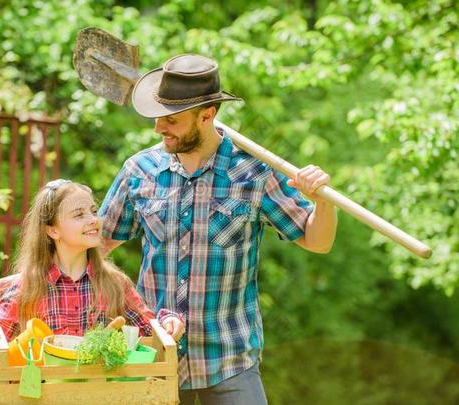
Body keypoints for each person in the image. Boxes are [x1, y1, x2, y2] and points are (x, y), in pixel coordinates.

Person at [99, 54, 338, 404]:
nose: (158, 129)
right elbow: (96, 244)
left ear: (207, 116)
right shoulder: (141, 170)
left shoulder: (254, 172)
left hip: (229, 361)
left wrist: (323, 201)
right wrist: (33, 277)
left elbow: (318, 241)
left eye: (171, 120)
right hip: (154, 355)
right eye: (157, 118)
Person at [0, 179, 184, 367]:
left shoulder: (115, 284)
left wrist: (169, 324)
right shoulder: (28, 287)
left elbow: (153, 335)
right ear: (52, 231)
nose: (93, 220)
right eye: (79, 214)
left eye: (93, 211)